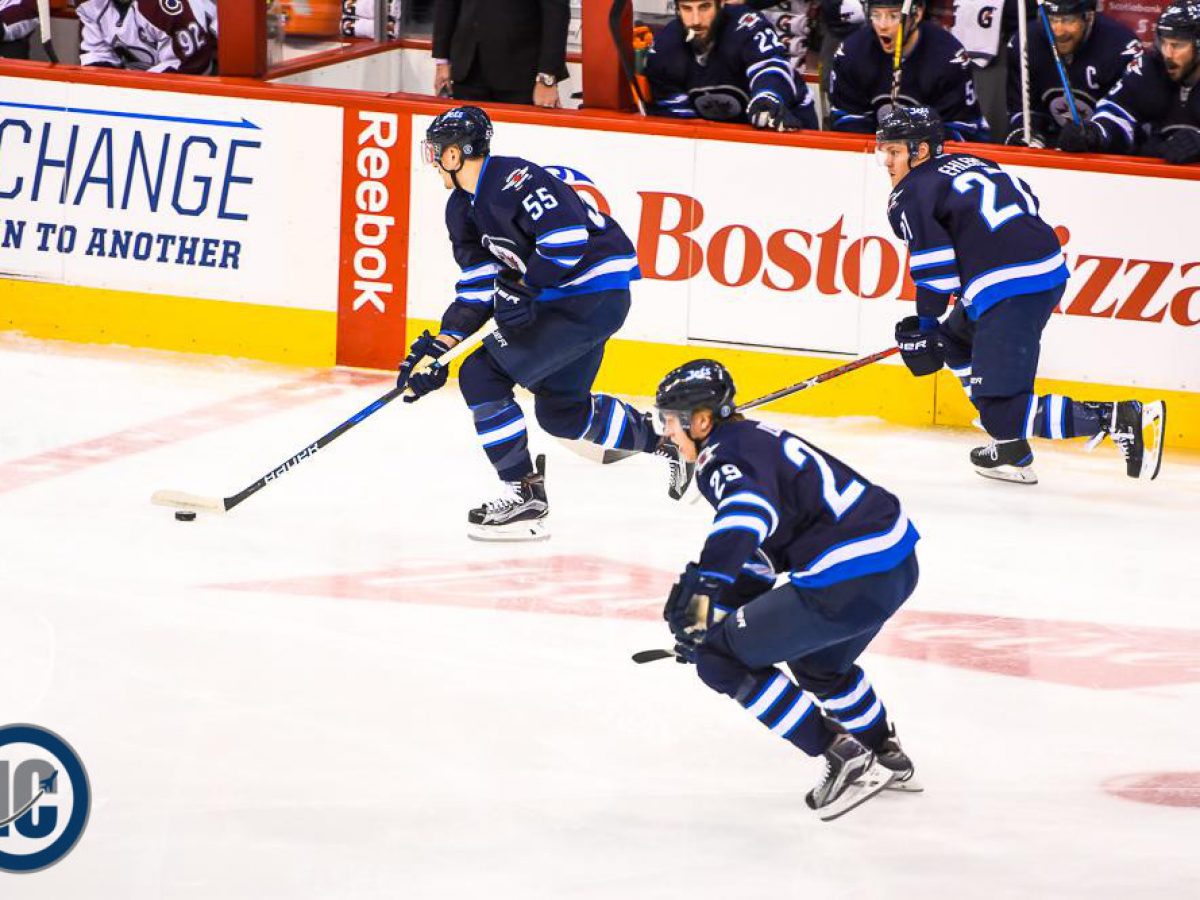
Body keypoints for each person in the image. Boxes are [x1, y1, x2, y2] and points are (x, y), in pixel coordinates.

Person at [396, 107, 691, 540]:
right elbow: (478, 285)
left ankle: (524, 496)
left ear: (455, 154)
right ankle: (675, 444)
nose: (434, 162)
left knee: (481, 375)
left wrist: (524, 287)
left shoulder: (516, 180)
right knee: (562, 413)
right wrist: (441, 345)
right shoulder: (461, 209)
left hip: (588, 296)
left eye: (437, 152)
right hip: (567, 302)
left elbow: (566, 240)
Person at [654, 359, 922, 822]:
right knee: (819, 666)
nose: (667, 434)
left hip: (846, 577)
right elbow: (763, 558)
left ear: (701, 421)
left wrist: (706, 586)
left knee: (717, 659)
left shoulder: (720, 457)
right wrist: (719, 612)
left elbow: (748, 513)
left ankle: (840, 752)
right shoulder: (756, 439)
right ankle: (887, 753)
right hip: (896, 564)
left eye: (670, 422)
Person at [878, 106, 1166, 483]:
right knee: (954, 342)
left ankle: (1116, 418)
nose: (887, 162)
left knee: (1003, 409)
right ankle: (1011, 448)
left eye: (895, 151)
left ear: (921, 151)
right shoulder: (975, 161)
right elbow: (1027, 200)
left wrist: (926, 327)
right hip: (1043, 270)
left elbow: (937, 274)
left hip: (1009, 287)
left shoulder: (909, 193)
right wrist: (937, 331)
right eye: (884, 151)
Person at [1060, 2, 1200, 165]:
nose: (1167, 54)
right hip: (1151, 176)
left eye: (1178, 45)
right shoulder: (1149, 69)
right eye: (1164, 42)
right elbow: (1117, 113)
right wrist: (1095, 134)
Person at [829, 0, 991, 141]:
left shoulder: (948, 57)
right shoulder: (852, 52)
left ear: (917, 14)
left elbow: (962, 129)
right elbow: (847, 120)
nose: (883, 25)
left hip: (939, 156)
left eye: (894, 16)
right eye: (876, 15)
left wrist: (913, 149)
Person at [644, 0, 818, 130]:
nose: (695, 20)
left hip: (784, 119)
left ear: (721, 4)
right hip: (723, 132)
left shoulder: (747, 24)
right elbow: (676, 115)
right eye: (687, 8)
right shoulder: (666, 45)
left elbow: (770, 66)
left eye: (704, 7)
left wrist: (767, 95)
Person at [1002, 0, 1141, 148]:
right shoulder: (1025, 42)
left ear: (1089, 17)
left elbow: (1127, 115)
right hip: (1051, 147)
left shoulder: (1121, 47)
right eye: (1051, 19)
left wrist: (1093, 136)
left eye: (1068, 20)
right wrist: (1026, 132)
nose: (1058, 31)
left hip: (1108, 152)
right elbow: (1022, 107)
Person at [432, 0, 569, 108]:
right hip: (468, 70)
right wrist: (442, 61)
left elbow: (556, 13)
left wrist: (547, 77)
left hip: (522, 76)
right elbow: (446, 4)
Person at [77, 0, 218, 75]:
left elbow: (191, 66)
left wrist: (133, 88)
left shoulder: (165, 6)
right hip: (140, 83)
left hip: (202, 83)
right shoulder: (91, 6)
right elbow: (97, 57)